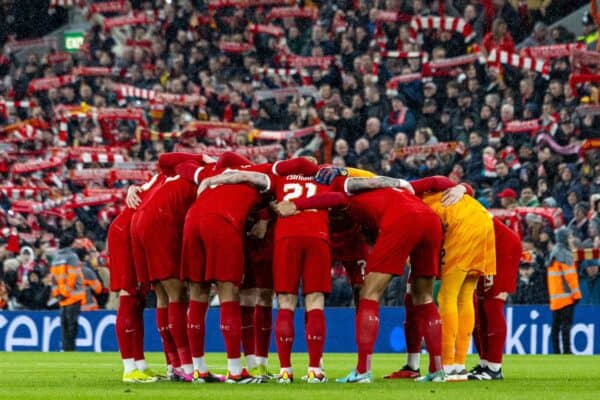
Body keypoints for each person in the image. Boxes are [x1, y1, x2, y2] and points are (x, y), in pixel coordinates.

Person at [275, 170, 444, 383]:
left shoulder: (347, 186)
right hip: (430, 220)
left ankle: (363, 371)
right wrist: (462, 188)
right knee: (425, 297)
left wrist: (298, 205)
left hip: (401, 220)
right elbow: (435, 180)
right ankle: (437, 370)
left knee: (369, 293)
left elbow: (336, 197)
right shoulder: (387, 186)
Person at [470, 218, 522, 380]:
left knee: (492, 304)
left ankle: (494, 368)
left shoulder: (446, 203)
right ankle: (485, 363)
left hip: (501, 246)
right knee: (479, 307)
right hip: (484, 249)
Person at [547, 228, 581, 354]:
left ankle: (556, 351)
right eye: (570, 237)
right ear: (564, 239)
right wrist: (576, 295)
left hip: (556, 298)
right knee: (566, 326)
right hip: (566, 297)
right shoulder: (565, 255)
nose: (572, 239)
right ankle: (567, 351)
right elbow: (570, 277)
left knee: (556, 327)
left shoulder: (554, 253)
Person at [50, 232, 84, 352]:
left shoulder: (55, 258)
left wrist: (57, 294)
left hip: (62, 298)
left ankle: (66, 349)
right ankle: (70, 350)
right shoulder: (72, 257)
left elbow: (53, 279)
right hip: (73, 296)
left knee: (64, 326)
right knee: (71, 326)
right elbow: (72, 277)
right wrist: (65, 293)